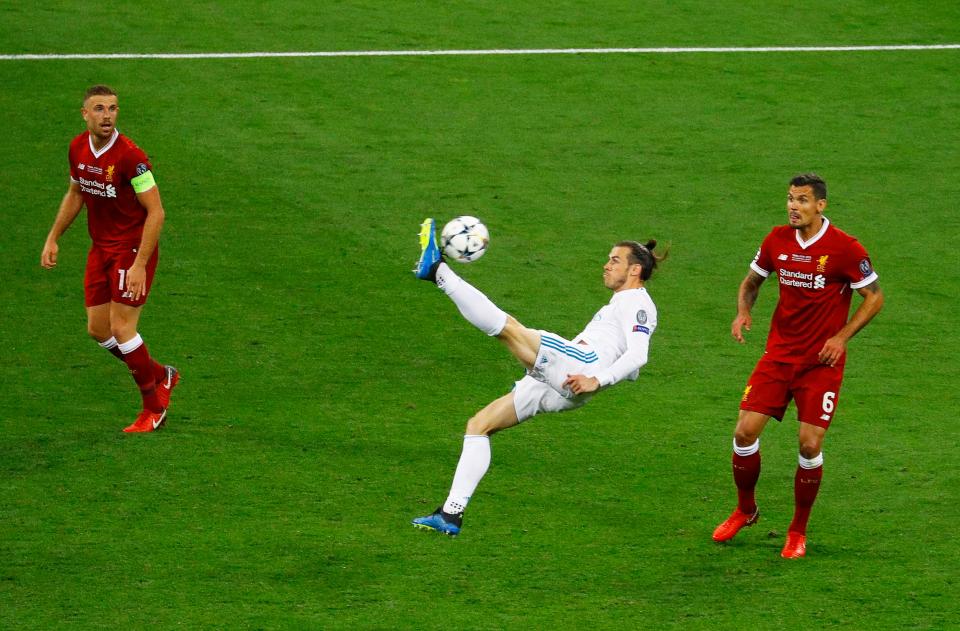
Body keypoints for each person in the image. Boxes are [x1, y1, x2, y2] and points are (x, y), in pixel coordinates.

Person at [409, 218, 664, 535]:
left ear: (635, 270)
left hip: (580, 366)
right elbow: (633, 364)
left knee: (509, 329)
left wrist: (597, 379)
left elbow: (639, 354)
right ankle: (451, 513)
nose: (606, 265)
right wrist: (614, 373)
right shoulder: (624, 303)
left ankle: (437, 272)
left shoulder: (637, 302)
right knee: (479, 425)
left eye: (615, 260)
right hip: (567, 384)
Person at [712, 173, 884, 558]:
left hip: (820, 364)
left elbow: (874, 298)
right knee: (743, 433)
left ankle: (797, 531)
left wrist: (840, 338)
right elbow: (751, 282)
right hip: (778, 357)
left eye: (802, 200)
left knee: (809, 444)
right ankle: (745, 509)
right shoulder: (776, 240)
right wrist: (743, 312)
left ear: (820, 205)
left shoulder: (844, 248)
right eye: (790, 199)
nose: (794, 206)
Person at [40, 85, 179, 433]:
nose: (107, 116)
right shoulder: (77, 148)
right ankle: (160, 375)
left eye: (113, 109)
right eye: (99, 109)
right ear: (85, 114)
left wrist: (138, 265)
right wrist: (53, 236)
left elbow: (157, 213)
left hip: (132, 248)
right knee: (99, 330)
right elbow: (76, 193)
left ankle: (153, 408)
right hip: (101, 247)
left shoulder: (132, 157)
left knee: (122, 327)